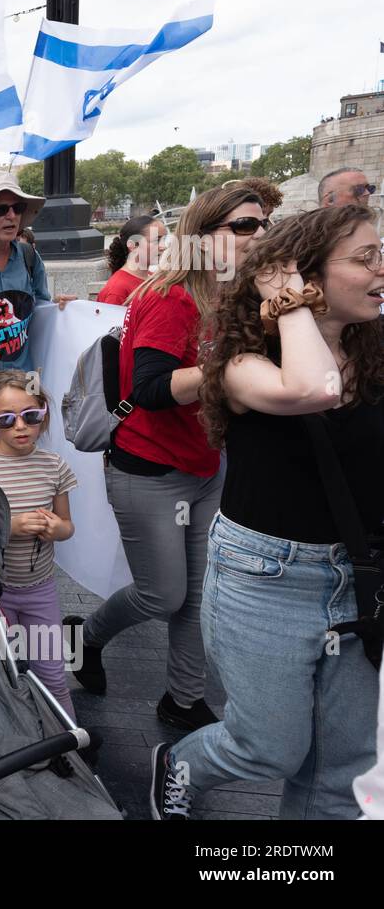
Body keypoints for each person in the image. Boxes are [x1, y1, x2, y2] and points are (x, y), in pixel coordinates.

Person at [152, 204, 384, 821]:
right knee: (267, 750)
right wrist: (291, 305)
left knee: (342, 766)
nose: (381, 269)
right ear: (303, 276)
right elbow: (315, 390)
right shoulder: (238, 367)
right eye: (364, 258)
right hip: (267, 579)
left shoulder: (379, 352)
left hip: (359, 579)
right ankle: (180, 766)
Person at [73, 186, 268, 732]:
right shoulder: (171, 297)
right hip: (149, 467)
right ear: (204, 238)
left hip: (207, 466)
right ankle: (83, 638)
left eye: (264, 225)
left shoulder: (237, 295)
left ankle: (183, 700)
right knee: (164, 594)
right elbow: (153, 388)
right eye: (246, 226)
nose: (261, 235)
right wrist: (236, 371)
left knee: (199, 595)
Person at [0, 370, 77, 720]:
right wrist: (9, 526)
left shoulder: (53, 465)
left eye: (31, 416)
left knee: (53, 673)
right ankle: (15, 742)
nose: (20, 427)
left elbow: (68, 526)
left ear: (43, 414)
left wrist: (57, 529)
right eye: (7, 420)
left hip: (40, 591)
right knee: (0, 673)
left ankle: (70, 741)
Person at [0, 172, 77, 372]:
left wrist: (58, 308)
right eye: (1, 209)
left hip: (25, 378)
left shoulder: (28, 256)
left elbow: (39, 307)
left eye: (18, 208)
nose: (11, 216)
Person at [96, 215, 166, 306]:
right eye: (156, 240)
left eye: (164, 239)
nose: (163, 246)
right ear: (133, 246)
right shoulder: (117, 290)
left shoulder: (154, 278)